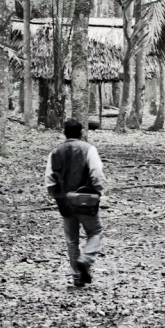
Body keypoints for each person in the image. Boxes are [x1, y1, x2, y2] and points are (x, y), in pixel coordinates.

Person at [44, 118, 106, 288]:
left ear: (64, 133)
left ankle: (77, 277)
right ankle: (85, 260)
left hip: (65, 202)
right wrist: (98, 191)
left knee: (72, 239)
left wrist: (56, 195)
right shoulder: (89, 149)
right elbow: (97, 173)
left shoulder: (55, 152)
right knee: (95, 231)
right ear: (81, 132)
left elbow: (49, 179)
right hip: (86, 200)